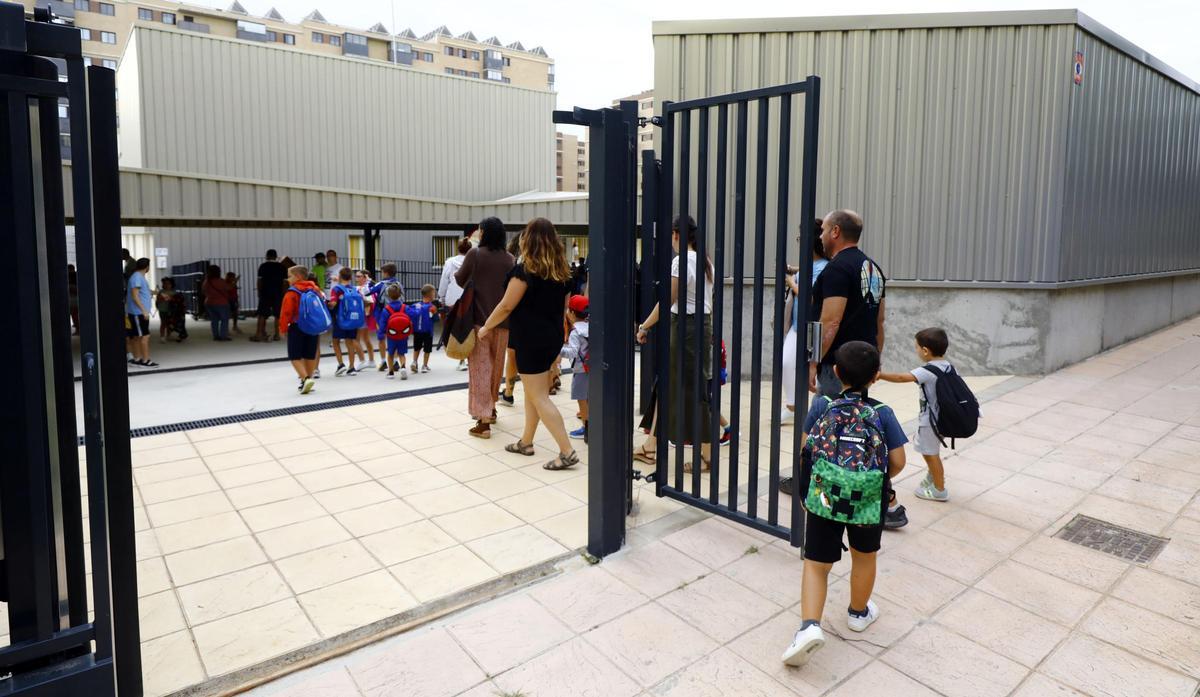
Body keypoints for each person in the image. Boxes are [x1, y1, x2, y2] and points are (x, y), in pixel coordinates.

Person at [781, 341, 907, 667]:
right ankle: (858, 613)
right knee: (865, 557)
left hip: (826, 494)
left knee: (816, 563)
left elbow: (806, 449)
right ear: (876, 376)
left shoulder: (822, 405)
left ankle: (809, 627)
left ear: (836, 372)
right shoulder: (882, 413)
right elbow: (898, 460)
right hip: (866, 498)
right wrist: (875, 479)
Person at [782, 210, 903, 527]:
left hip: (839, 365)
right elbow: (880, 323)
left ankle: (829, 489)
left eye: (823, 229)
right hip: (862, 364)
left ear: (836, 232)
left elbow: (830, 321)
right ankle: (871, 491)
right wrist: (874, 362)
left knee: (830, 427)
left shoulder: (837, 270)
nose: (819, 235)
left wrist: (815, 361)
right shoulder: (873, 269)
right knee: (858, 428)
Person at [478, 217, 577, 469]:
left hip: (531, 340)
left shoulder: (525, 272)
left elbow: (506, 305)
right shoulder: (562, 273)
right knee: (534, 394)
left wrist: (486, 327)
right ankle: (526, 442)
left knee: (539, 397)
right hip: (551, 338)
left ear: (527, 240)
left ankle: (566, 451)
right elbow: (563, 308)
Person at [635, 215, 715, 471]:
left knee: (692, 390)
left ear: (677, 235)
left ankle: (706, 455)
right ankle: (651, 445)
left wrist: (644, 325)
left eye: (671, 235)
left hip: (686, 329)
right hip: (699, 327)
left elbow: (668, 299)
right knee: (668, 386)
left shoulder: (682, 261)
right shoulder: (705, 261)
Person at [455, 217, 515, 438]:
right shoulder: (510, 259)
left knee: (480, 369)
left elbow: (460, 280)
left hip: (479, 322)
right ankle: (491, 408)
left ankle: (483, 422)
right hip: (504, 323)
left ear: (483, 232)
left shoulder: (475, 254)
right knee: (495, 368)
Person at [879, 328, 955, 502]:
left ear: (926, 351)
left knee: (930, 453)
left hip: (931, 421)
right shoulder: (948, 366)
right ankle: (934, 477)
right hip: (942, 418)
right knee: (931, 452)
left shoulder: (927, 370)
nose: (916, 351)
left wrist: (880, 375)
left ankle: (939, 489)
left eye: (916, 348)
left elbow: (900, 378)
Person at [782, 219, 830, 424]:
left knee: (814, 369)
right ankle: (793, 407)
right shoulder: (811, 264)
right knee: (787, 362)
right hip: (796, 325)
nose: (798, 242)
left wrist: (792, 282)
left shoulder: (824, 267)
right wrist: (793, 270)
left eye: (801, 238)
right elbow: (805, 272)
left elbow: (811, 296)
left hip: (812, 326)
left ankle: (818, 409)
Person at [280, 265, 321, 394]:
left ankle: (305, 379)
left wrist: (282, 328)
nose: (288, 279)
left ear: (297, 277)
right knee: (309, 354)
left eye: (289, 276)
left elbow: (286, 312)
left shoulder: (292, 292)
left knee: (294, 355)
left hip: (297, 326)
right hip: (313, 326)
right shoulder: (315, 289)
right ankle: (308, 380)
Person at [497, 231, 523, 407]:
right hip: (547, 325)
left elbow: (507, 302)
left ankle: (508, 392)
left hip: (518, 317)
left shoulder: (517, 266)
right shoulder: (555, 267)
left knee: (512, 355)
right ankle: (551, 382)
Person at [439, 237, 473, 371]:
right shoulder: (474, 262)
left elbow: (444, 280)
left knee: (456, 327)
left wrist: (441, 297)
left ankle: (461, 359)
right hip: (469, 298)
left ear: (457, 248)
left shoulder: (450, 262)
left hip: (452, 298)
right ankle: (470, 356)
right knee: (470, 327)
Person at [560, 294, 590, 441]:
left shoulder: (575, 332)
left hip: (580, 370)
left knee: (581, 399)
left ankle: (586, 428)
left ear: (572, 313)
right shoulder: (591, 327)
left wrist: (558, 349)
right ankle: (591, 425)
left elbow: (572, 352)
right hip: (591, 369)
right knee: (590, 398)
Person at [328, 267, 365, 376]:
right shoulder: (354, 289)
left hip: (340, 320)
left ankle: (341, 364)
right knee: (350, 342)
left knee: (335, 342)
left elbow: (333, 303)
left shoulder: (336, 289)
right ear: (350, 277)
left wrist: (327, 303)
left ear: (340, 276)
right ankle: (351, 367)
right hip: (353, 320)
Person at [369, 263, 403, 372]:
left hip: (382, 314)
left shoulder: (381, 284)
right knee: (395, 336)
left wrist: (368, 283)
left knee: (381, 337)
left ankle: (384, 361)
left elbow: (367, 292)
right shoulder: (398, 284)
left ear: (386, 273)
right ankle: (395, 361)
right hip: (396, 313)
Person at [125, 257, 157, 367]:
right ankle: (145, 360)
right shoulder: (137, 278)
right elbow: (135, 296)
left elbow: (142, 292)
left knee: (137, 337)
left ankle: (138, 358)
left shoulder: (138, 277)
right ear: (147, 267)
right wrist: (144, 311)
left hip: (138, 312)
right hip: (138, 313)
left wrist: (154, 292)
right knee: (144, 336)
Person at [253, 249, 286, 342]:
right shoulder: (282, 267)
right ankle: (277, 335)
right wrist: (283, 293)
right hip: (278, 293)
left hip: (265, 293)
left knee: (262, 314)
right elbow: (284, 283)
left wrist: (259, 292)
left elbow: (259, 281)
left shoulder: (263, 266)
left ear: (267, 256)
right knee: (278, 315)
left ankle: (258, 334)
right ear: (276, 256)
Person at [381, 284, 411, 379]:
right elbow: (411, 317)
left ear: (388, 296)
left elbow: (383, 323)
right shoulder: (405, 307)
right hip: (403, 335)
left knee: (390, 354)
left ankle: (391, 372)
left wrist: (381, 332)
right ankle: (403, 367)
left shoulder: (386, 310)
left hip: (391, 336)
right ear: (400, 294)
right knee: (401, 353)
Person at [408, 284, 439, 374]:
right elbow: (435, 319)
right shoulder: (431, 307)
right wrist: (436, 314)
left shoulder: (415, 305)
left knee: (416, 348)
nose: (435, 295)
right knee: (427, 349)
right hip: (428, 331)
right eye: (434, 293)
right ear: (430, 295)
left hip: (417, 331)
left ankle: (414, 362)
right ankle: (424, 366)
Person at [202, 265, 233, 341]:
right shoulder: (220, 281)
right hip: (221, 303)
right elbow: (229, 288)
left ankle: (216, 336)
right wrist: (234, 282)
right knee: (224, 319)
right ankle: (223, 336)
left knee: (214, 320)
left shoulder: (206, 281)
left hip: (209, 302)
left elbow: (203, 291)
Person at [355, 269, 377, 369]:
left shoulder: (366, 288)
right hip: (361, 315)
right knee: (364, 338)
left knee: (357, 339)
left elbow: (370, 302)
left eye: (359, 276)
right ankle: (371, 361)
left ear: (365, 277)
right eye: (356, 276)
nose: (356, 278)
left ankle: (362, 360)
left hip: (363, 315)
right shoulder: (358, 288)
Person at [156, 277, 188, 342]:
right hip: (163, 310)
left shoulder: (175, 292)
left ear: (172, 284)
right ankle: (162, 336)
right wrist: (164, 298)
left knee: (169, 324)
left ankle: (169, 335)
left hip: (171, 311)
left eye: (168, 284)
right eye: (164, 283)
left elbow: (179, 301)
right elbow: (158, 300)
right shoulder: (161, 292)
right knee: (163, 323)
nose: (166, 285)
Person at [68, 264, 80, 335]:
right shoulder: (76, 275)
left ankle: (78, 329)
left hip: (73, 299)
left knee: (74, 314)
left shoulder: (70, 276)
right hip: (75, 298)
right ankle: (77, 327)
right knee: (75, 314)